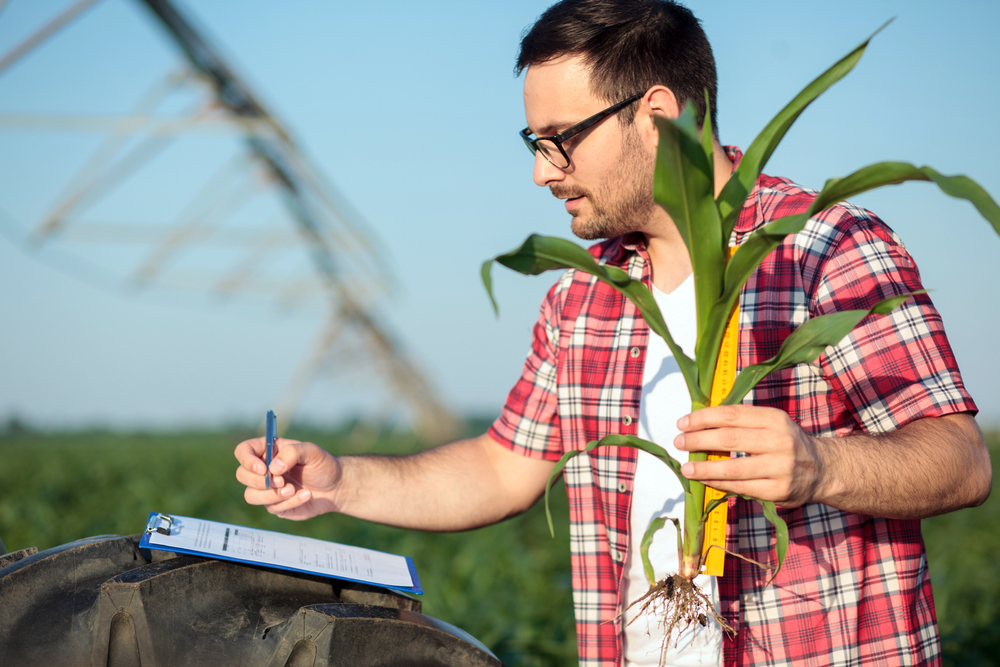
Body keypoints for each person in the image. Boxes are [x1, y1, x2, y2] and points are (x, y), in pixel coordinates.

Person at [234, 1, 993, 665]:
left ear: (657, 114)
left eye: (560, 137)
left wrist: (819, 466)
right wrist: (342, 482)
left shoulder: (824, 247)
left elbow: (961, 460)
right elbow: (505, 468)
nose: (543, 172)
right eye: (533, 141)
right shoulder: (584, 293)